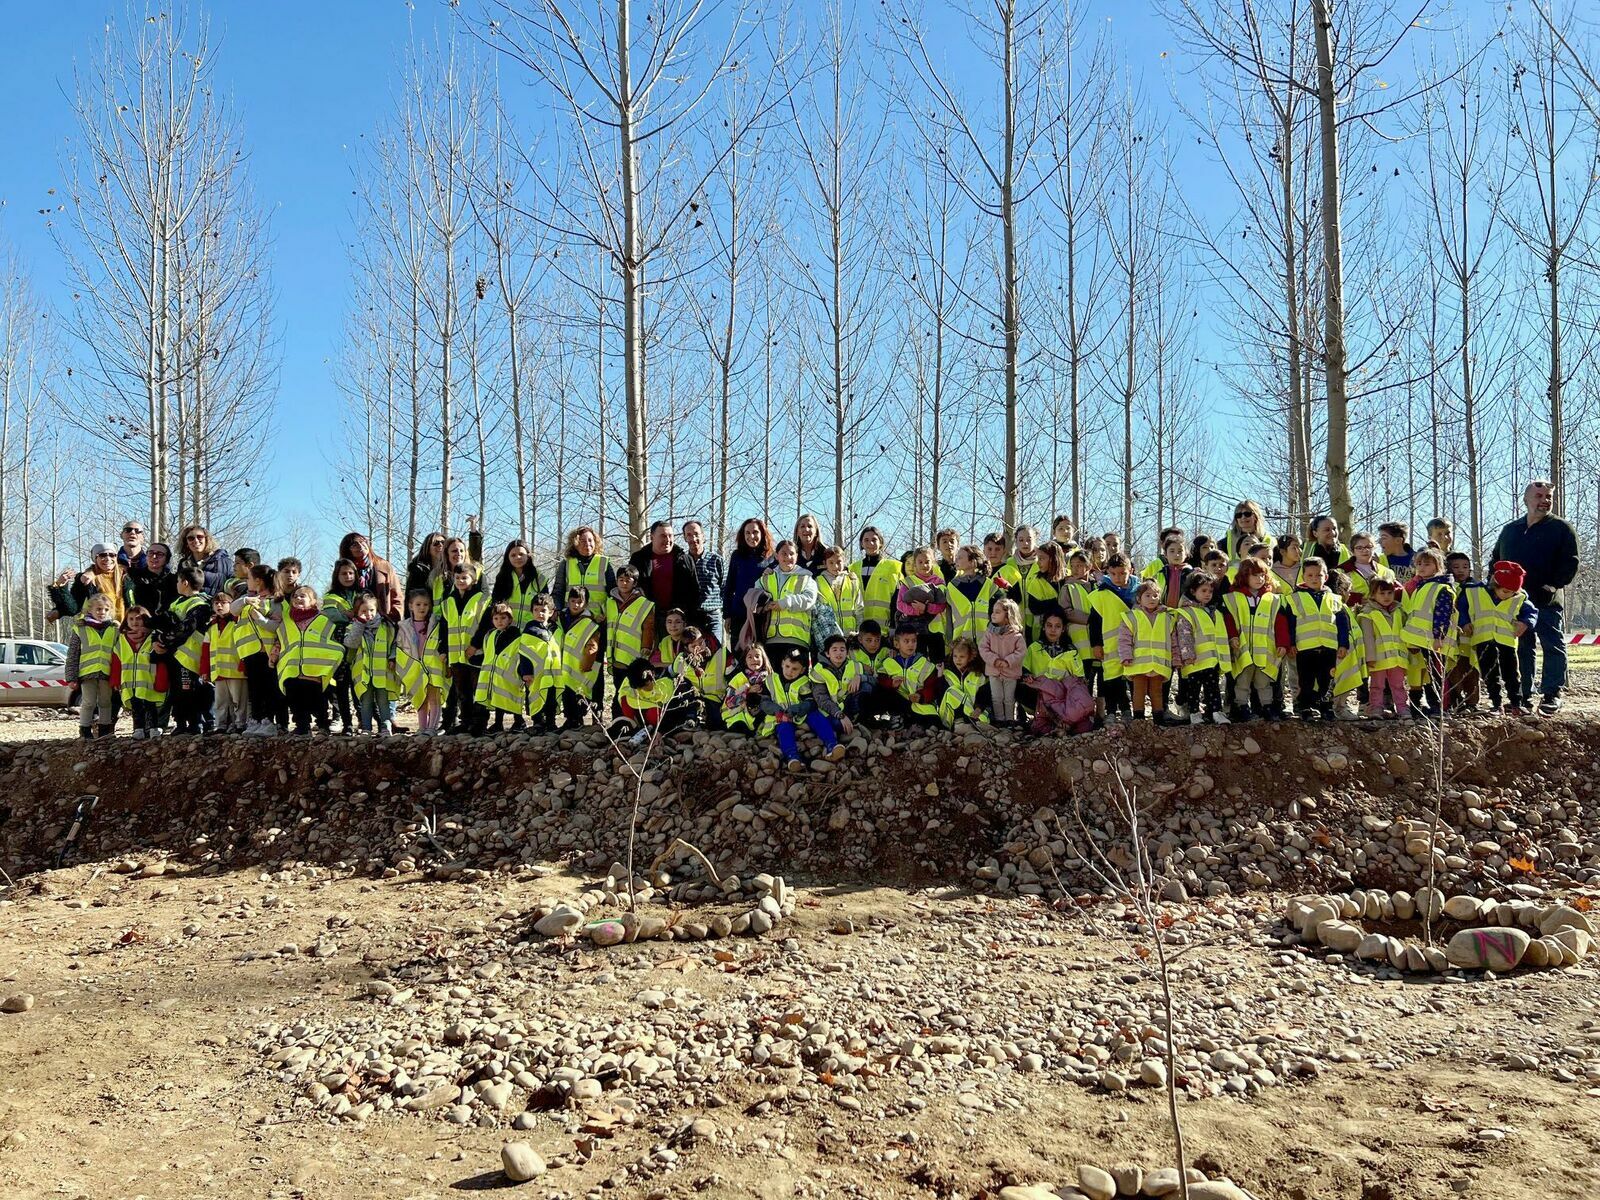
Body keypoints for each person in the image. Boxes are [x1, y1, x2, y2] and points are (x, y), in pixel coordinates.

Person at [1492, 479, 1580, 714]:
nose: (1545, 501)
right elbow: (1495, 560)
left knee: (1553, 646)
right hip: (1515, 604)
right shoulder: (1510, 530)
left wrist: (1552, 586)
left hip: (1546, 602)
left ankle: (1552, 694)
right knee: (1522, 649)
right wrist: (1497, 589)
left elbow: (1570, 563)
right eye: (1539, 496)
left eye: (1548, 497)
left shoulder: (1561, 529)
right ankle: (1523, 696)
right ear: (1526, 499)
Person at [1277, 557, 1349, 721]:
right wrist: (1292, 643)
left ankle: (1326, 707)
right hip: (1305, 648)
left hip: (1329, 647)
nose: (1314, 579)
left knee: (1328, 680)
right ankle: (1305, 708)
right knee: (1305, 681)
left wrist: (1343, 643)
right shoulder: (1295, 598)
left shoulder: (1335, 599)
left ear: (1326, 577)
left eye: (1318, 575)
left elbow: (1342, 624)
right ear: (1303, 577)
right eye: (1309, 575)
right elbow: (1291, 623)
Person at [268, 585, 343, 735]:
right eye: (295, 596)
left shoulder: (324, 620)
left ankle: (322, 726)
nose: (297, 598)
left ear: (314, 601)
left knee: (317, 702)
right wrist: (274, 655)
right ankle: (302, 727)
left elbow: (333, 642)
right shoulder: (286, 621)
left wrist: (335, 661)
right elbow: (280, 640)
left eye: (303, 596)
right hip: (291, 670)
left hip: (314, 671)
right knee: (295, 701)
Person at [1467, 562, 1538, 716]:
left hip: (1507, 641)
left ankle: (1516, 704)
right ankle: (1496, 704)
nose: (1509, 595)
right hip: (1483, 639)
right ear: (1495, 585)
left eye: (1513, 592)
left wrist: (1526, 623)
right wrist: (1464, 623)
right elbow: (1463, 608)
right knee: (1490, 673)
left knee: (1512, 673)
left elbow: (1531, 612)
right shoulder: (1474, 592)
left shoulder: (1520, 597)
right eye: (1506, 591)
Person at [760, 646, 845, 769]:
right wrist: (777, 711)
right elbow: (764, 701)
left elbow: (810, 702)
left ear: (802, 670)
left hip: (800, 714)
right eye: (787, 666)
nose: (789, 671)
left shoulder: (804, 681)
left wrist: (796, 710)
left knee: (816, 716)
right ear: (783, 663)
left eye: (795, 669)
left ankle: (832, 745)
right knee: (784, 729)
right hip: (779, 716)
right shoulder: (770, 680)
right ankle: (793, 758)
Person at [1224, 557, 1282, 721]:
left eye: (1262, 575)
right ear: (1244, 576)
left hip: (1265, 650)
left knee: (1264, 682)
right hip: (1243, 649)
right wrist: (1233, 636)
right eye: (1255, 575)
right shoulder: (1234, 597)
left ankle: (1267, 707)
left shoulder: (1273, 598)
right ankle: (1242, 706)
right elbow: (1229, 619)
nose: (1259, 579)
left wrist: (1283, 643)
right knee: (1242, 680)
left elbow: (1280, 622)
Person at [1117, 580, 1181, 724]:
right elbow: (1124, 640)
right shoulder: (1131, 617)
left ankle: (1158, 717)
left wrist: (1176, 659)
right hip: (1138, 664)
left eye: (1155, 595)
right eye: (1148, 595)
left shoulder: (1167, 617)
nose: (1152, 599)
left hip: (1159, 664)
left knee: (1157, 692)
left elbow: (1174, 641)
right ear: (1139, 599)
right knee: (1138, 692)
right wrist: (1126, 656)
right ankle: (1138, 718)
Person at [629, 520, 707, 631]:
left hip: (678, 621)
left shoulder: (684, 559)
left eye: (670, 536)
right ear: (652, 537)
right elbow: (631, 588)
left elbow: (694, 592)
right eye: (663, 536)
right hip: (648, 619)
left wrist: (693, 622)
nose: (668, 540)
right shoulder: (639, 559)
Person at [1175, 572, 1230, 725]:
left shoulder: (1214, 612)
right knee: (1193, 690)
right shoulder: (1186, 612)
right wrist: (1188, 656)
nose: (1208, 595)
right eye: (1203, 591)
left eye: (1210, 591)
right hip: (1194, 661)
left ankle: (1215, 712)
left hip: (1212, 660)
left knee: (1213, 688)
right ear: (1193, 591)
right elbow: (1184, 636)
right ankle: (1194, 713)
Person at [473, 601, 535, 734]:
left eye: (503, 618)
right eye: (496, 618)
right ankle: (498, 724)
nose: (499, 621)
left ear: (510, 619)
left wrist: (523, 672)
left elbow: (520, 654)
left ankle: (519, 722)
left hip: (511, 674)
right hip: (494, 675)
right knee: (498, 700)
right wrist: (475, 659)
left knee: (513, 700)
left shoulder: (516, 635)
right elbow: (489, 654)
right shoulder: (491, 635)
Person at [440, 566, 488, 734]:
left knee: (478, 690)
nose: (460, 581)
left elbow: (485, 626)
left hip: (476, 654)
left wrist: (475, 645)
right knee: (462, 691)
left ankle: (480, 723)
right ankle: (465, 722)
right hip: (456, 655)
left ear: (473, 580)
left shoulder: (482, 599)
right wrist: (443, 649)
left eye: (464, 578)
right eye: (458, 577)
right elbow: (444, 627)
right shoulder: (448, 601)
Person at [65, 593, 120, 739]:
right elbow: (73, 654)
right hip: (87, 673)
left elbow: (120, 654)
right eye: (99, 609)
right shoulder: (80, 628)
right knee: (88, 702)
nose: (102, 612)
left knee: (105, 701)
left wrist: (118, 677)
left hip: (106, 673)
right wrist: (71, 677)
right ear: (90, 610)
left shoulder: (114, 629)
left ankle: (104, 729)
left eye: (106, 609)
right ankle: (85, 730)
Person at [1088, 554, 1136, 720]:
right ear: (1108, 572)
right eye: (1114, 574)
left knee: (1134, 678)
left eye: (1122, 573)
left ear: (1131, 571)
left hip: (1135, 645)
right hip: (1110, 646)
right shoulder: (1102, 594)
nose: (1118, 578)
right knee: (1112, 679)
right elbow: (1094, 622)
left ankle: (1134, 712)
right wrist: (1096, 644)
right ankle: (1111, 711)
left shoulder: (1139, 591)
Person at [344, 592, 399, 735]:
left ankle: (385, 727)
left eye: (371, 610)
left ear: (377, 610)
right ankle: (366, 729)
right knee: (366, 702)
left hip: (383, 672)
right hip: (363, 673)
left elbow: (395, 643)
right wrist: (359, 624)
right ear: (357, 612)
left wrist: (393, 658)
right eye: (363, 611)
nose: (368, 614)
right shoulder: (353, 627)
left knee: (383, 702)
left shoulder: (387, 626)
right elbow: (351, 643)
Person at [757, 540, 819, 665]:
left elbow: (809, 599)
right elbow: (753, 597)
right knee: (774, 681)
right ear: (776, 556)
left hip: (797, 639)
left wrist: (785, 603)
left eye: (791, 554)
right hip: (771, 639)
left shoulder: (806, 577)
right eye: (784, 554)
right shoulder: (766, 577)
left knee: (798, 682)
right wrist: (765, 605)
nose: (788, 557)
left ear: (797, 556)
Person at [397, 588, 448, 735]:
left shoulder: (435, 624)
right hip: (415, 667)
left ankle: (432, 728)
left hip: (433, 665)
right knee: (420, 697)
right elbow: (400, 647)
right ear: (410, 606)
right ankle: (422, 727)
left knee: (434, 696)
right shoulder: (404, 626)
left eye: (425, 604)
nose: (422, 608)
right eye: (418, 604)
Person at [112, 605, 167, 739]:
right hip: (130, 683)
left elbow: (161, 661)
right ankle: (138, 729)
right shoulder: (122, 639)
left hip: (149, 681)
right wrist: (115, 680)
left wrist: (162, 680)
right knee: (136, 708)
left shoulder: (152, 638)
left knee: (150, 706)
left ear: (145, 620)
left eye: (138, 619)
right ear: (126, 621)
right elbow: (116, 660)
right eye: (131, 619)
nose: (134, 622)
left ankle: (153, 728)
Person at [1358, 578, 1410, 720]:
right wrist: (1370, 658)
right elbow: (1367, 638)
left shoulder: (1399, 611)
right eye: (1382, 593)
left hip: (1397, 658)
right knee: (1377, 686)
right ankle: (1376, 709)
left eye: (1389, 593)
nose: (1386, 597)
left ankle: (1403, 709)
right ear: (1373, 595)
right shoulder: (1367, 613)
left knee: (1398, 685)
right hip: (1378, 659)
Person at [558, 586, 604, 728]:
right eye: (573, 601)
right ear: (568, 601)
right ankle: (571, 719)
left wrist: (586, 665)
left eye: (580, 601)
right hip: (565, 666)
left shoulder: (591, 622)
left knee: (582, 693)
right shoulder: (561, 617)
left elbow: (592, 646)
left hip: (582, 666)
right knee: (567, 693)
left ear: (586, 603)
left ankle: (583, 718)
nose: (576, 605)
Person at [724, 518, 775, 644]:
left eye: (755, 532)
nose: (752, 536)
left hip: (761, 615)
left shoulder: (772, 557)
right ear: (743, 535)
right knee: (739, 654)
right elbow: (729, 586)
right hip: (739, 613)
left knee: (760, 655)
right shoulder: (737, 556)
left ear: (762, 533)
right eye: (747, 533)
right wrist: (727, 615)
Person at [895, 546, 948, 663]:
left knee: (938, 661)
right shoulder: (908, 582)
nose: (924, 565)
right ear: (915, 563)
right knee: (918, 661)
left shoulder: (939, 582)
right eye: (920, 562)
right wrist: (915, 611)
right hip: (915, 630)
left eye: (928, 562)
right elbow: (900, 604)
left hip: (936, 629)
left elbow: (942, 605)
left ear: (933, 562)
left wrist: (927, 608)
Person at [880, 624, 940, 727]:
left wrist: (921, 696)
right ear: (897, 644)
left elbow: (931, 686)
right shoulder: (888, 662)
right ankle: (894, 719)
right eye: (906, 641)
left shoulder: (925, 663)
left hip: (919, 704)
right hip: (899, 701)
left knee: (934, 722)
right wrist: (892, 684)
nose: (911, 645)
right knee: (882, 694)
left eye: (914, 641)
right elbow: (880, 681)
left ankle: (906, 721)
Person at [340, 531, 405, 621]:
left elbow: (397, 596)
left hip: (383, 621)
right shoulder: (344, 570)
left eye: (363, 542)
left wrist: (394, 618)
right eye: (355, 545)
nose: (361, 546)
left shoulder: (384, 566)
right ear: (347, 550)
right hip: (355, 623)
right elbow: (337, 595)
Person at [851, 526, 903, 637]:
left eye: (874, 540)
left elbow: (897, 599)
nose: (870, 543)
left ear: (881, 542)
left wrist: (894, 628)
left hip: (884, 631)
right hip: (859, 631)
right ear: (861, 544)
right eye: (866, 540)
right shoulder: (852, 568)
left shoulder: (894, 567)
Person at [980, 598, 1026, 725]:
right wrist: (994, 660)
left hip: (1010, 672)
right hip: (994, 671)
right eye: (993, 611)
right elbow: (983, 648)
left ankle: (1010, 719)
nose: (993, 614)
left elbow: (1021, 652)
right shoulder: (989, 633)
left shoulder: (1016, 635)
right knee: (996, 697)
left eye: (997, 612)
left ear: (1007, 616)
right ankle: (1000, 720)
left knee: (1009, 698)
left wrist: (1008, 661)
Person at [555, 524, 614, 616]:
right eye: (582, 541)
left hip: (597, 619)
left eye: (590, 540)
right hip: (570, 618)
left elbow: (613, 592)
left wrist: (607, 614)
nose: (587, 543)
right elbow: (558, 592)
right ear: (575, 543)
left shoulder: (604, 563)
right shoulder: (566, 564)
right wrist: (557, 610)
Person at [681, 520, 725, 639]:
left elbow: (724, 588)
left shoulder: (716, 560)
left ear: (703, 536)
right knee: (692, 652)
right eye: (689, 535)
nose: (693, 538)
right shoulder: (681, 561)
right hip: (690, 616)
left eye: (696, 534)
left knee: (717, 650)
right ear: (685, 538)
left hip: (713, 616)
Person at [489, 538, 547, 627]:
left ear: (528, 556)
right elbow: (495, 605)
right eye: (513, 555)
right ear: (507, 557)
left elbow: (545, 605)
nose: (517, 557)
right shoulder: (502, 578)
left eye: (521, 554)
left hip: (531, 630)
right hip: (508, 631)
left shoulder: (539, 578)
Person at [938, 636, 988, 730]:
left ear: (970, 657)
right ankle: (966, 724)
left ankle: (974, 724)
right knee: (952, 691)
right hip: (953, 718)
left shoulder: (978, 674)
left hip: (975, 713)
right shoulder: (947, 673)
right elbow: (941, 696)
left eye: (962, 657)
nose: (958, 660)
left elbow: (984, 695)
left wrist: (979, 708)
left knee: (984, 716)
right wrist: (940, 676)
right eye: (955, 656)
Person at [816, 546, 863, 641]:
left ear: (844, 561)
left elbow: (859, 607)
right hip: (830, 636)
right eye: (831, 562)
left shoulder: (852, 580)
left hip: (851, 635)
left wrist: (859, 632)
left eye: (839, 562)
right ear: (825, 563)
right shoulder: (818, 581)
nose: (835, 566)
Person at [177, 525, 233, 595]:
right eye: (191, 538)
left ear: (207, 540)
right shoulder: (183, 564)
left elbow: (234, 587)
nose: (196, 540)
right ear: (186, 543)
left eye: (200, 537)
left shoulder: (225, 562)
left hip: (215, 605)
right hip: (190, 605)